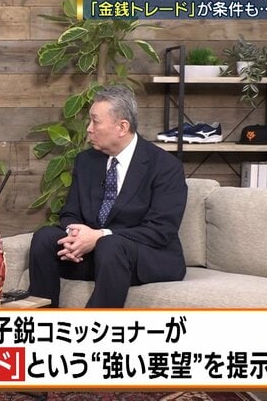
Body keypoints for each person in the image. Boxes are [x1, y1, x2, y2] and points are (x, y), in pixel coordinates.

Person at [28, 85, 188, 308]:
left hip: (144, 256)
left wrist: (100, 236)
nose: (88, 129)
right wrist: (76, 236)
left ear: (122, 127)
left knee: (110, 245)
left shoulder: (165, 166)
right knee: (44, 237)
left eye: (95, 122)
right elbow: (70, 212)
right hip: (96, 256)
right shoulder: (86, 161)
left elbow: (161, 230)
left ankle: (96, 327)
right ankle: (42, 319)